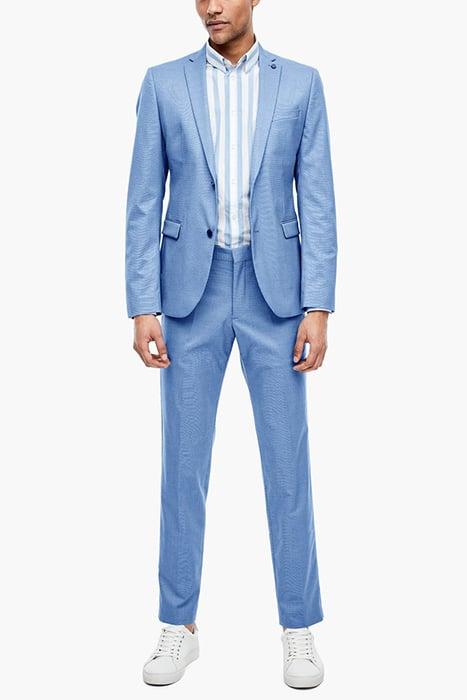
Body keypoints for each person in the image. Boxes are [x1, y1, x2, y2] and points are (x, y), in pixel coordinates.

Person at [125, 0, 337, 689]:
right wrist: (143, 305)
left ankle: (298, 628)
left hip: (276, 294)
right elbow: (143, 201)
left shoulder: (300, 84)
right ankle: (178, 625)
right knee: (182, 465)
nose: (211, 6)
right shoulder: (163, 83)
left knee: (286, 464)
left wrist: (317, 305)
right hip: (191, 290)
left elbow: (318, 200)